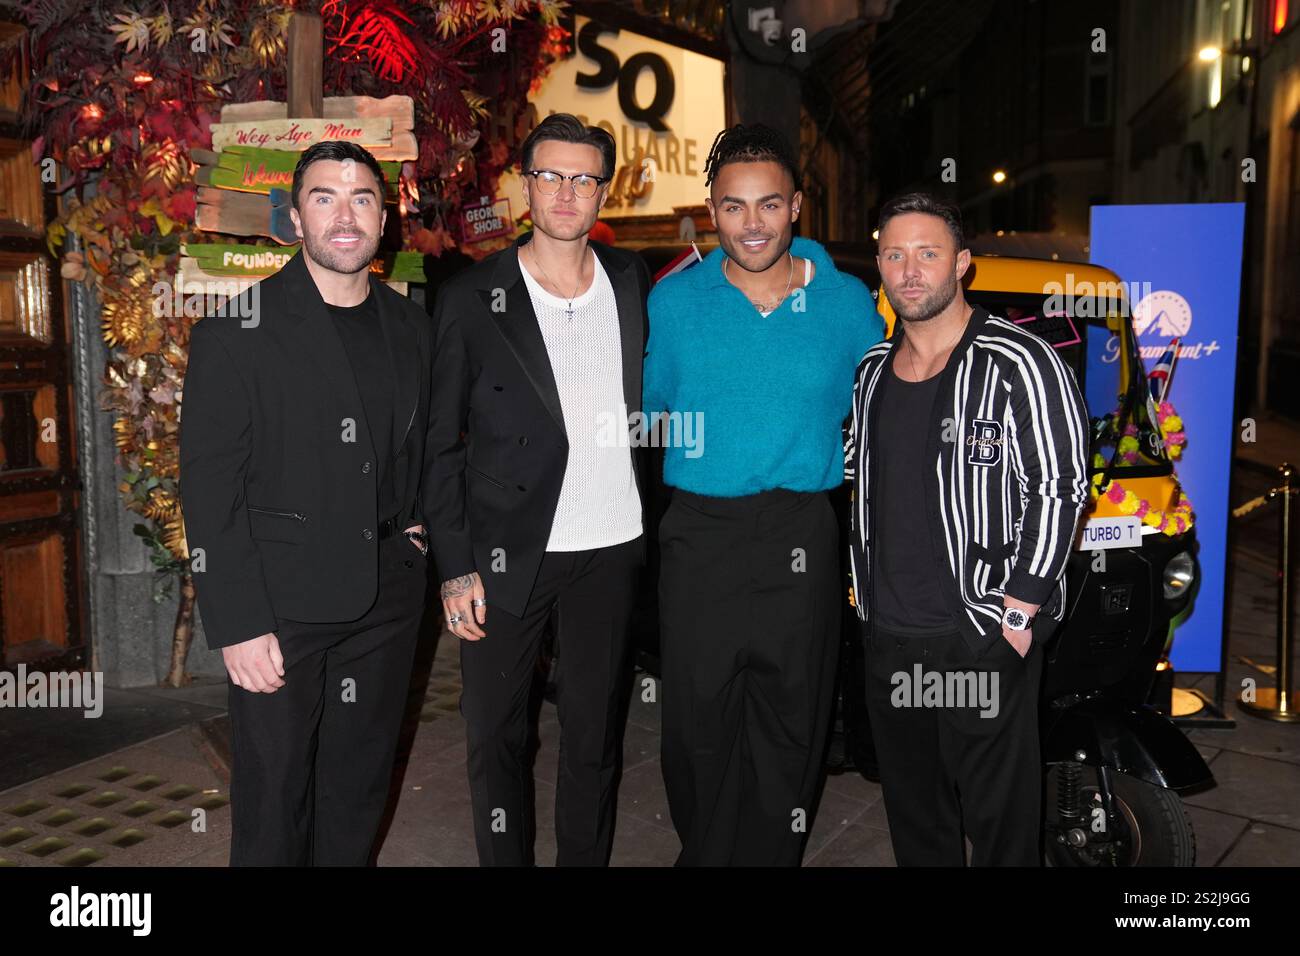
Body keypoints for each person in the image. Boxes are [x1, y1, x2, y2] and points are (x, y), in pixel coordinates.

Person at [180, 140, 432, 865]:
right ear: (294, 218)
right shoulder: (236, 332)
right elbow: (209, 488)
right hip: (281, 607)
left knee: (357, 792)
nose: (344, 217)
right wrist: (238, 624)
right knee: (274, 799)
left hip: (386, 599)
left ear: (383, 218)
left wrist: (417, 534)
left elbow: (424, 445)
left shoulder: (413, 327)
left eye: (362, 199)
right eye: (325, 198)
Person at [644, 123, 885, 866]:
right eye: (733, 206)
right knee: (696, 721)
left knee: (792, 719)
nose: (752, 223)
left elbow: (883, 408)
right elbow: (646, 415)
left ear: (796, 207)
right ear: (711, 212)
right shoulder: (674, 303)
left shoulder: (847, 304)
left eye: (769, 204)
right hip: (699, 534)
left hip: (801, 531)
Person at [426, 113, 652, 866]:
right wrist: (455, 566)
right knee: (497, 734)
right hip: (506, 548)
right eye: (550, 175)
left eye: (584, 179)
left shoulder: (629, 281)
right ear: (525, 185)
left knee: (594, 736)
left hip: (612, 544)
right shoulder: (473, 295)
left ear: (603, 192)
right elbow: (439, 441)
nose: (566, 192)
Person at [845, 191, 1089, 866]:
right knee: (916, 821)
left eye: (928, 253)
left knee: (1001, 827)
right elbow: (857, 478)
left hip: (978, 637)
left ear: (962, 264)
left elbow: (1061, 487)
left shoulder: (1020, 361)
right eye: (894, 254)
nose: (910, 270)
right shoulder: (870, 373)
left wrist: (1018, 611)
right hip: (890, 640)